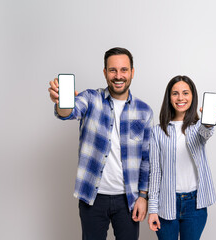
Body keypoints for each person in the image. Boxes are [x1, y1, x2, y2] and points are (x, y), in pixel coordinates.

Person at [48, 47, 153, 240]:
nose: (118, 75)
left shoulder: (144, 111)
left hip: (128, 199)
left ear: (132, 72)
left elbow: (146, 159)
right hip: (93, 198)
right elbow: (69, 112)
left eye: (123, 70)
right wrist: (61, 101)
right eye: (113, 70)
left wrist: (143, 196)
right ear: (105, 72)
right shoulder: (90, 99)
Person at [147, 75, 216, 240]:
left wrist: (209, 123)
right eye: (175, 93)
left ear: (192, 97)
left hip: (194, 205)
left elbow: (206, 132)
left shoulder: (198, 127)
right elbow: (155, 172)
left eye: (185, 93)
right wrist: (152, 209)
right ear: (169, 98)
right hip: (166, 203)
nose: (180, 98)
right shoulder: (157, 132)